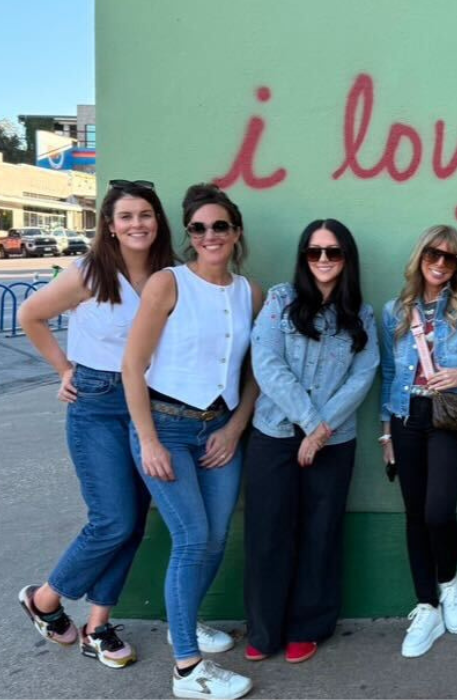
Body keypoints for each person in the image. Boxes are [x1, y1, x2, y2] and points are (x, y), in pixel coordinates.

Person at [16, 179, 176, 668]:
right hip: (98, 403)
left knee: (133, 525)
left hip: (150, 401)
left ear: (157, 221)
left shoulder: (169, 274)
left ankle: (98, 626)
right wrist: (64, 369)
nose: (136, 224)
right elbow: (30, 314)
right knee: (113, 519)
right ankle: (44, 598)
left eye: (145, 215)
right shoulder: (90, 272)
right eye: (126, 217)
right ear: (109, 226)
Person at [122, 183, 263, 700]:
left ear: (235, 231)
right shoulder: (168, 283)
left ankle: (185, 621)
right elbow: (132, 368)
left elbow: (255, 373)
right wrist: (148, 441)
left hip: (220, 429)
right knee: (192, 539)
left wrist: (235, 426)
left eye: (219, 226)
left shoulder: (251, 293)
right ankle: (187, 668)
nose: (209, 236)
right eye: (198, 228)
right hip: (166, 428)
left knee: (217, 537)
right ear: (189, 236)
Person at [242, 219, 379, 663]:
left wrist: (322, 432)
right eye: (314, 251)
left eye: (333, 252)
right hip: (275, 435)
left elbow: (363, 375)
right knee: (268, 534)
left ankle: (309, 625)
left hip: (334, 442)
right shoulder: (281, 300)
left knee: (321, 533)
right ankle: (263, 631)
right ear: (304, 257)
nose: (323, 260)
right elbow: (265, 362)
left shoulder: (361, 313)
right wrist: (308, 423)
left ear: (346, 258)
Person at [379, 224, 457, 658]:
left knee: (438, 511)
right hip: (406, 416)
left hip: (449, 417)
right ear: (420, 257)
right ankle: (425, 606)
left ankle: (449, 583)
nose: (441, 264)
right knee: (414, 514)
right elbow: (389, 375)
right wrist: (386, 431)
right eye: (434, 254)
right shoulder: (394, 310)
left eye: (451, 258)